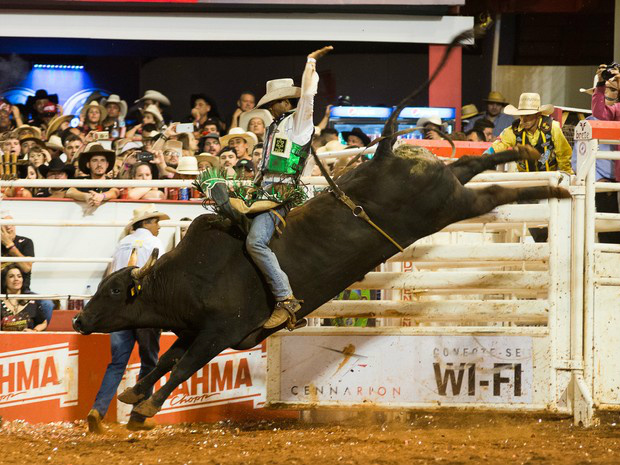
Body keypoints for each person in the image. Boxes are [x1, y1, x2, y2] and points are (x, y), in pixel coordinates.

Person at [225, 46, 332, 329]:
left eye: (275, 102)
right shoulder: (276, 128)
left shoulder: (299, 123)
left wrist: (310, 64)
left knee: (255, 242)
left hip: (282, 193)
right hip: (266, 191)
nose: (271, 107)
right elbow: (267, 166)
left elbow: (308, 96)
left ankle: (285, 299)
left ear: (287, 102)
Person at [87, 204, 169, 434]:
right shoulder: (154, 244)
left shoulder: (121, 244)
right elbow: (159, 276)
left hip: (119, 312)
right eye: (155, 221)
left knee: (117, 363)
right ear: (145, 223)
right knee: (149, 362)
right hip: (145, 311)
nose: (158, 226)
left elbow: (113, 277)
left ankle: (97, 410)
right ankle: (138, 417)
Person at [486, 93, 573, 174]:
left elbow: (564, 155)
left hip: (549, 176)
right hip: (525, 178)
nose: (524, 120)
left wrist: (565, 176)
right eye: (522, 115)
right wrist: (485, 156)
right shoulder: (513, 131)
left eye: (528, 115)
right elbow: (497, 146)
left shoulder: (553, 128)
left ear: (538, 115)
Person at [1, 212, 54, 322]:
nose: (8, 227)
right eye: (5, 224)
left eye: (11, 223)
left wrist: (9, 245)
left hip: (23, 291)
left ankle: (35, 331)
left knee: (47, 304)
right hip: (1, 290)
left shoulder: (26, 242)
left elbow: (26, 268)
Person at [1, 264, 47, 332]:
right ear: (5, 281)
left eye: (19, 276)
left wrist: (34, 331)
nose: (16, 279)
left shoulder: (32, 302)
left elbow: (43, 323)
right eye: (11, 276)